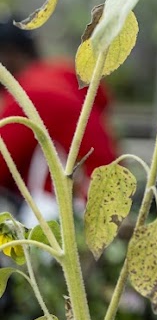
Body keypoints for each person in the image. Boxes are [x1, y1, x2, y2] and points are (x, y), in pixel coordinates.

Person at [0, 20, 120, 222]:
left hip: (77, 211)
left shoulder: (30, 94)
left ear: (9, 54)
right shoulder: (61, 75)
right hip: (112, 197)